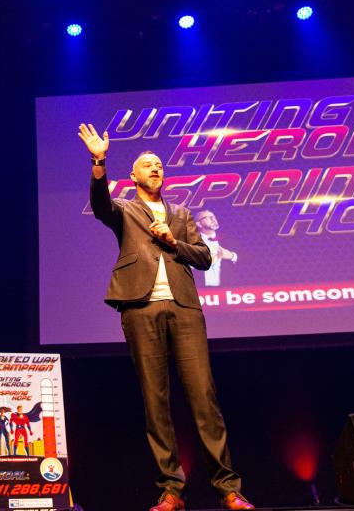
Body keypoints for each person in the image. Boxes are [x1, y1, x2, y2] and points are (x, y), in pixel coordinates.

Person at [77, 124, 253, 511]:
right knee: (156, 401)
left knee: (204, 397)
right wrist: (98, 160)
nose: (155, 168)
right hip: (141, 308)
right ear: (134, 177)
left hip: (184, 308)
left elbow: (205, 257)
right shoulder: (124, 209)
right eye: (147, 165)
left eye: (159, 164)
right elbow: (100, 203)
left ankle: (227, 488)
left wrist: (175, 242)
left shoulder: (182, 214)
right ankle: (172, 490)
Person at [194, 210, 239, 287]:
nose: (213, 218)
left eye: (213, 216)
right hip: (200, 292)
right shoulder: (191, 242)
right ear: (199, 224)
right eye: (207, 217)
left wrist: (231, 256)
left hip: (227, 291)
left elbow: (248, 262)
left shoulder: (229, 240)